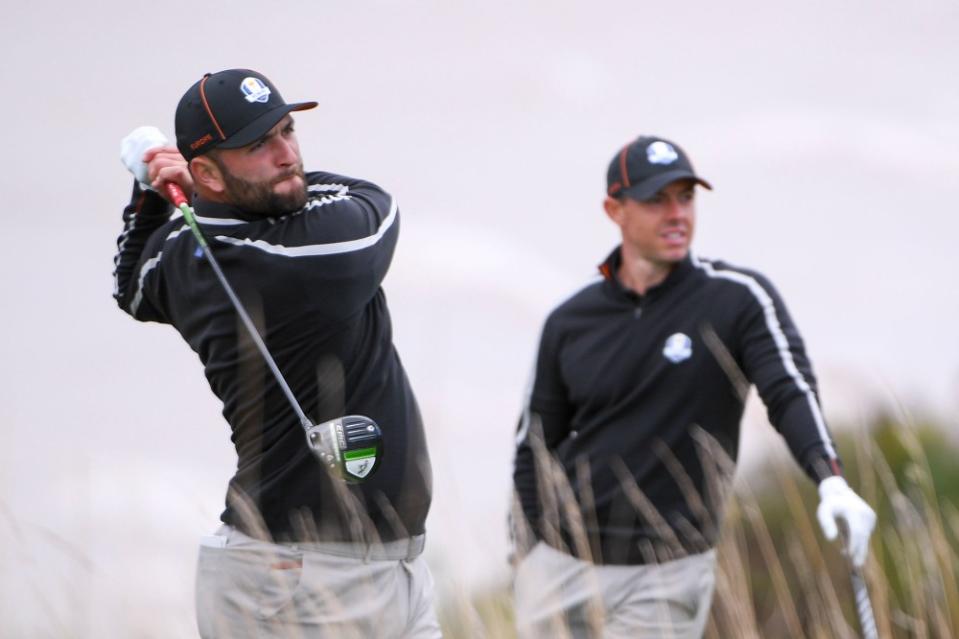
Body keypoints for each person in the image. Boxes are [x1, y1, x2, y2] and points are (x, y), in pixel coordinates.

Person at [112, 69, 439, 638]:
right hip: (297, 579)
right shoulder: (306, 256)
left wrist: (150, 195)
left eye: (288, 132)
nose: (288, 155)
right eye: (259, 144)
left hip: (380, 571)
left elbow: (133, 288)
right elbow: (374, 204)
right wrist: (179, 188)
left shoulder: (184, 254)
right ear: (207, 171)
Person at [511, 135, 877, 638]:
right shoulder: (571, 321)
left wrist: (829, 477)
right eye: (656, 200)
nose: (676, 213)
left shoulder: (735, 301)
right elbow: (533, 442)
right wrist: (527, 550)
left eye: (685, 197)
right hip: (559, 568)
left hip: (666, 573)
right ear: (614, 209)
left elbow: (789, 388)